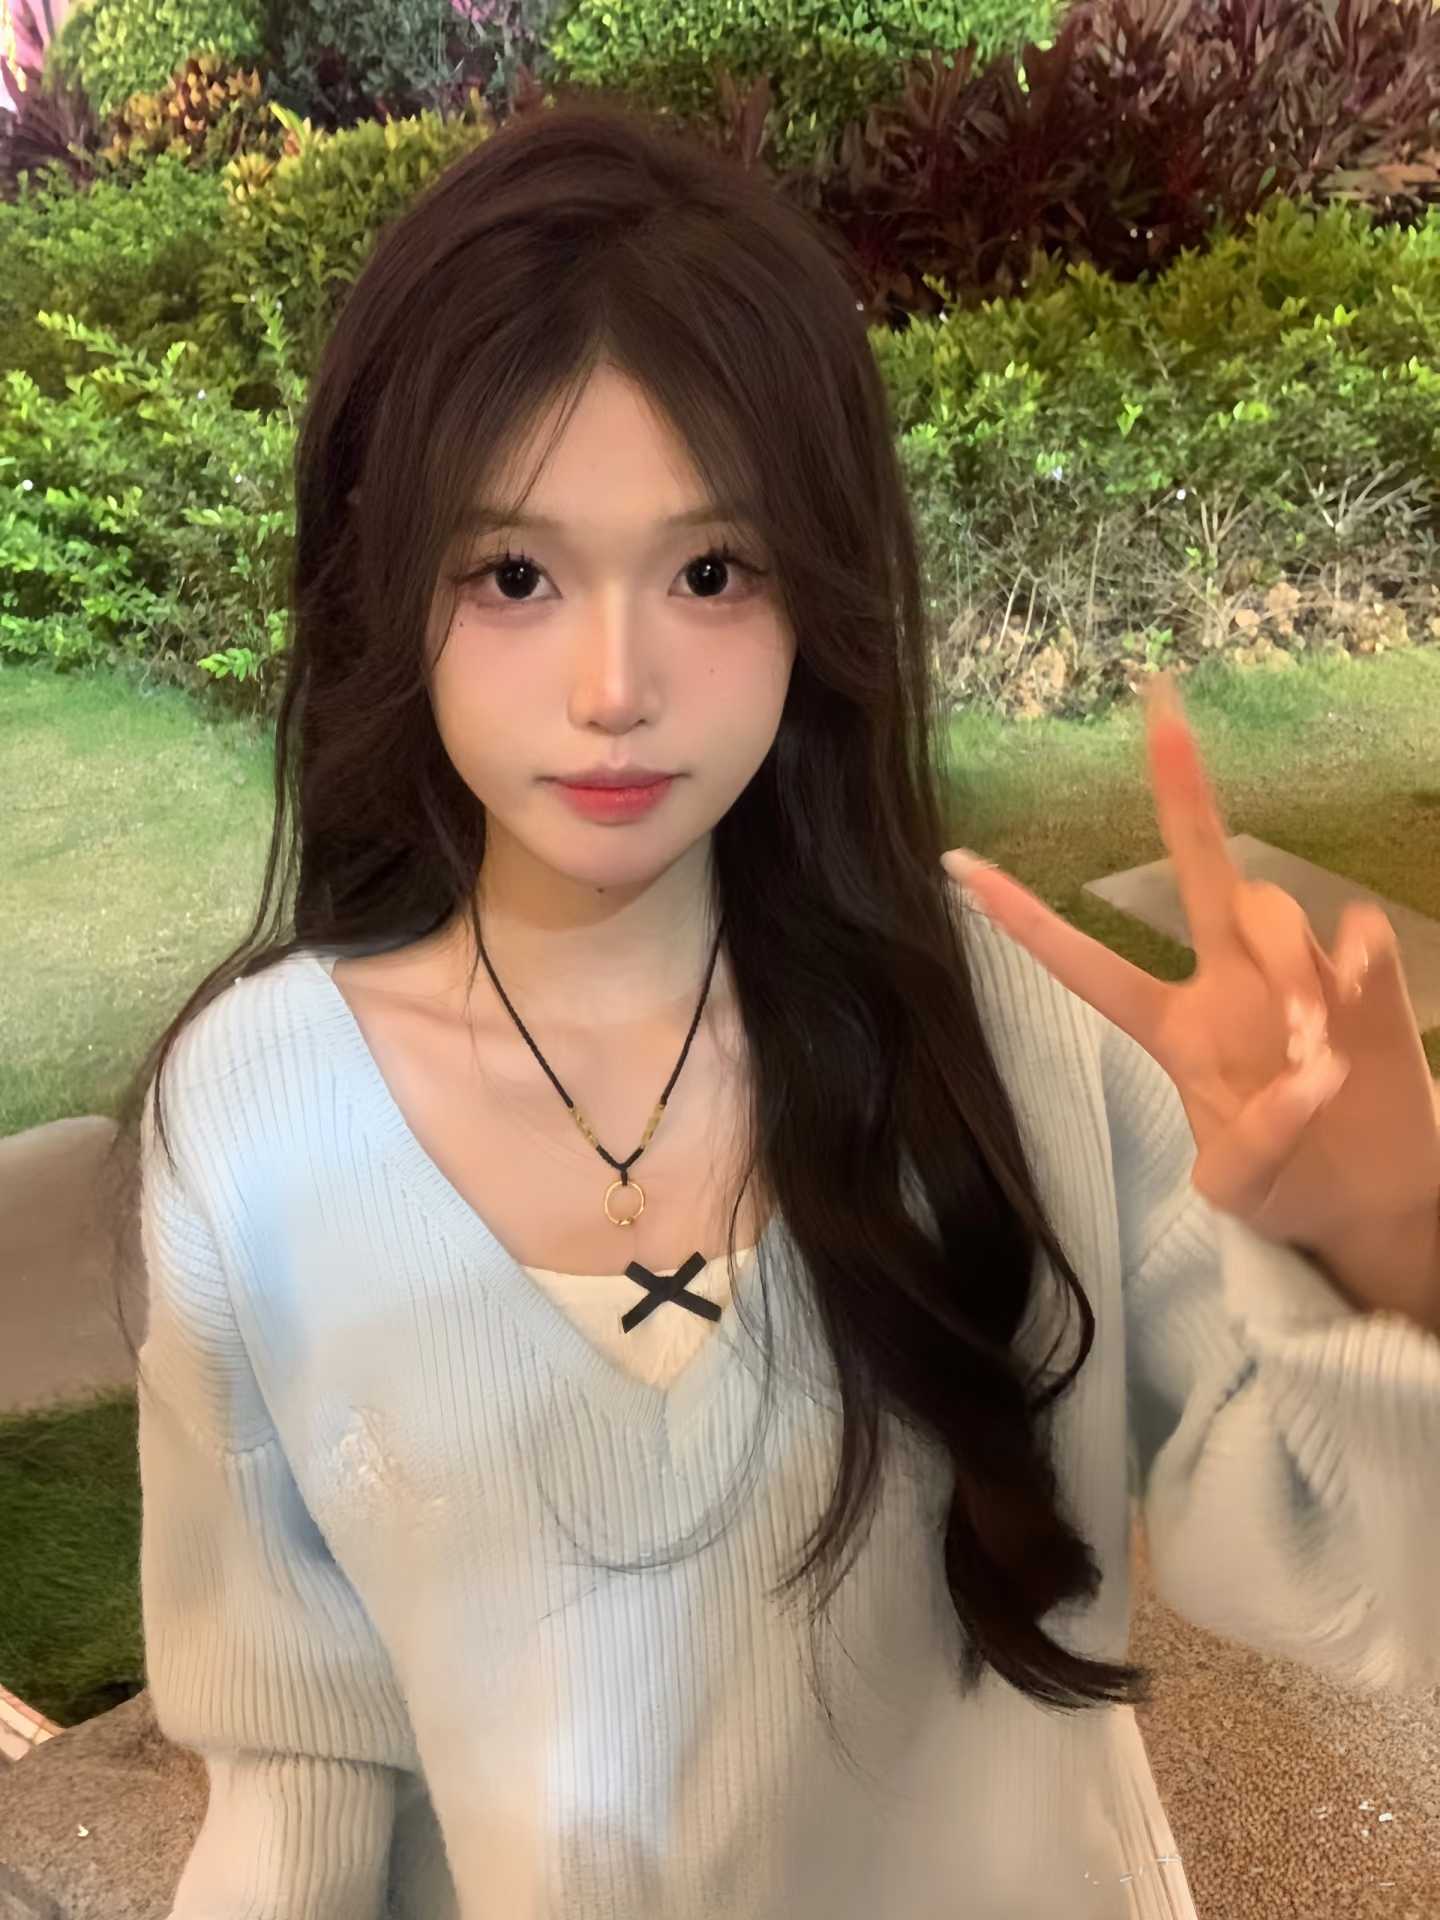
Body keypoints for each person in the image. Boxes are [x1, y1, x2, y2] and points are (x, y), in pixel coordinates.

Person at [101, 92, 1440, 1920]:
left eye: (711, 571)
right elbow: (302, 1767)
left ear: (817, 592)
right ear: (381, 580)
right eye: (514, 575)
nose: (616, 686)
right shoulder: (253, 1122)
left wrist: (1392, 1248)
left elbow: (1354, 1584)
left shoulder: (1001, 1035)